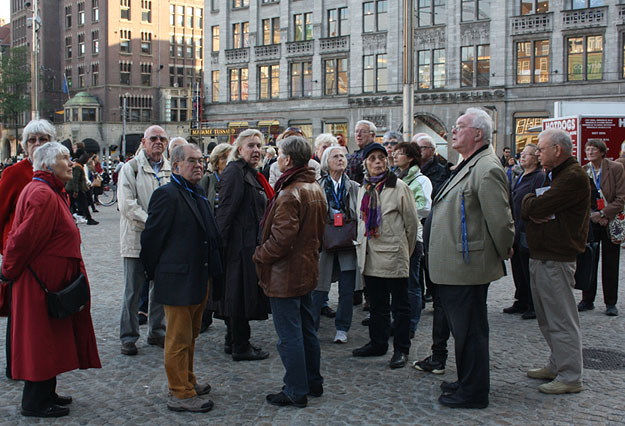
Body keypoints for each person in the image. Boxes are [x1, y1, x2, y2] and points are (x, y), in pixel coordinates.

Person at [0, 142, 101, 418]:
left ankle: (47, 392)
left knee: (50, 340)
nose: (70, 163)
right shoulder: (42, 194)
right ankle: (35, 402)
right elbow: (22, 240)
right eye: (64, 158)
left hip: (50, 283)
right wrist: (7, 270)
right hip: (39, 285)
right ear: (46, 165)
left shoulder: (48, 190)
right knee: (40, 341)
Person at [427, 108, 514, 409]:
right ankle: (466, 381)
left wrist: (500, 253)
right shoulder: (469, 163)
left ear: (478, 134)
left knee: (471, 333)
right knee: (463, 332)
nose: (453, 131)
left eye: (460, 126)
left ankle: (474, 392)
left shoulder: (486, 167)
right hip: (455, 267)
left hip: (467, 267)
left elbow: (501, 222)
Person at [141, 144, 223, 413]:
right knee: (177, 339)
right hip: (177, 279)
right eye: (192, 161)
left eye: (202, 161)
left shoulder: (197, 192)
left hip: (199, 277)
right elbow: (152, 239)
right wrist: (157, 275)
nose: (199, 165)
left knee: (190, 336)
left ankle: (188, 381)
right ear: (175, 166)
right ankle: (179, 393)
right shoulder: (167, 195)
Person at [253, 135, 327, 408]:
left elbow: (281, 240)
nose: (277, 157)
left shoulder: (290, 192)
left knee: (290, 335)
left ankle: (296, 389)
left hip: (286, 274)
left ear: (288, 159)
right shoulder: (314, 187)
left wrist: (260, 255)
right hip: (305, 270)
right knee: (306, 329)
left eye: (280, 153)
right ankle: (312, 381)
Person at [521, 128, 590, 395]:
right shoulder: (558, 173)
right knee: (548, 317)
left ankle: (571, 375)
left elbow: (533, 207)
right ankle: (557, 363)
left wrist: (530, 203)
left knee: (561, 318)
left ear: (557, 150)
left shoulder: (572, 176)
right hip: (545, 254)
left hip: (556, 256)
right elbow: (534, 207)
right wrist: (533, 205)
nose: (538, 153)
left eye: (541, 148)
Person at [352, 142, 418, 370]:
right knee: (377, 305)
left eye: (381, 157)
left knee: (400, 306)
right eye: (372, 159)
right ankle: (377, 343)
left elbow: (411, 225)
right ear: (365, 164)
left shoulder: (399, 187)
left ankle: (401, 349)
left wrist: (404, 254)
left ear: (388, 161)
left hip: (393, 256)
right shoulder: (364, 188)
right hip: (370, 257)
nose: (377, 162)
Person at [0, 119, 56, 380]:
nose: (37, 145)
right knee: (19, 319)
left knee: (44, 318)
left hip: (48, 260)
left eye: (43, 139)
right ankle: (16, 367)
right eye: (32, 140)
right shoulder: (15, 173)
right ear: (23, 146)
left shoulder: (55, 171)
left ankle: (41, 368)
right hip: (21, 258)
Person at [214, 129, 272, 361]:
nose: (256, 150)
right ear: (239, 149)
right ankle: (240, 345)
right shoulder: (235, 172)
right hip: (237, 247)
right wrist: (222, 247)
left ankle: (234, 341)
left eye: (259, 146)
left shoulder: (249, 173)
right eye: (251, 146)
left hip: (248, 244)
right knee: (238, 296)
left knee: (239, 295)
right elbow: (225, 212)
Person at [118, 125, 172, 356]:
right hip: (136, 239)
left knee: (160, 289)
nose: (158, 142)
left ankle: (156, 331)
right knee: (133, 290)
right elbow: (127, 205)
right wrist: (153, 223)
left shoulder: (170, 168)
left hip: (163, 240)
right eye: (153, 138)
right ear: (144, 141)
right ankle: (129, 336)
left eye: (162, 138)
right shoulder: (130, 168)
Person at [311, 144, 360, 343]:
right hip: (325, 241)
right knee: (318, 287)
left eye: (342, 156)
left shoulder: (354, 186)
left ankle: (342, 328)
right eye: (335, 157)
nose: (340, 159)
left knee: (347, 289)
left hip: (348, 242)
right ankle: (311, 326)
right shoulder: (317, 186)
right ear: (326, 163)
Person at [578, 140, 625, 316]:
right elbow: (582, 198)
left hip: (612, 220)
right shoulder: (584, 170)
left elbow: (621, 197)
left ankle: (610, 302)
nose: (590, 152)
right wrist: (594, 215)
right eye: (587, 149)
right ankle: (587, 299)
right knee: (590, 259)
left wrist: (604, 214)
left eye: (594, 149)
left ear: (602, 152)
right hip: (592, 220)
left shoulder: (615, 168)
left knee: (611, 262)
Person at [393, 142, 432, 338]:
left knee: (411, 283)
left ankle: (411, 324)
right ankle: (398, 321)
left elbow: (425, 206)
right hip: (393, 236)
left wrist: (401, 210)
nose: (395, 155)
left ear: (410, 158)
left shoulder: (420, 180)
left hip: (412, 236)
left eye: (400, 153)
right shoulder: (393, 177)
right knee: (397, 284)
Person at [504, 144, 545, 320]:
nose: (523, 157)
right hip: (516, 226)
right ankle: (521, 299)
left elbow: (541, 201)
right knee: (518, 266)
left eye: (528, 155)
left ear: (536, 158)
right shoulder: (520, 175)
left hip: (528, 228)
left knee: (529, 268)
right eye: (522, 154)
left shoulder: (539, 177)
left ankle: (533, 304)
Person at [198, 142, 234, 332]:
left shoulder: (235, 180)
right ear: (216, 161)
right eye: (224, 158)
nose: (227, 162)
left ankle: (229, 319)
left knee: (228, 279)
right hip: (211, 237)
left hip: (229, 238)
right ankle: (205, 317)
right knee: (209, 278)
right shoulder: (208, 180)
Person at [66, 152, 99, 225]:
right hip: (76, 189)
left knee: (72, 204)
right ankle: (88, 219)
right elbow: (75, 179)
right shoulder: (78, 166)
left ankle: (85, 217)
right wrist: (76, 191)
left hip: (76, 188)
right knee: (81, 203)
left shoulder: (77, 165)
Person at [346, 120, 376, 185]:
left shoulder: (374, 152)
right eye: (356, 131)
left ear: (372, 135)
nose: (358, 135)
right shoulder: (356, 153)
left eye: (363, 132)